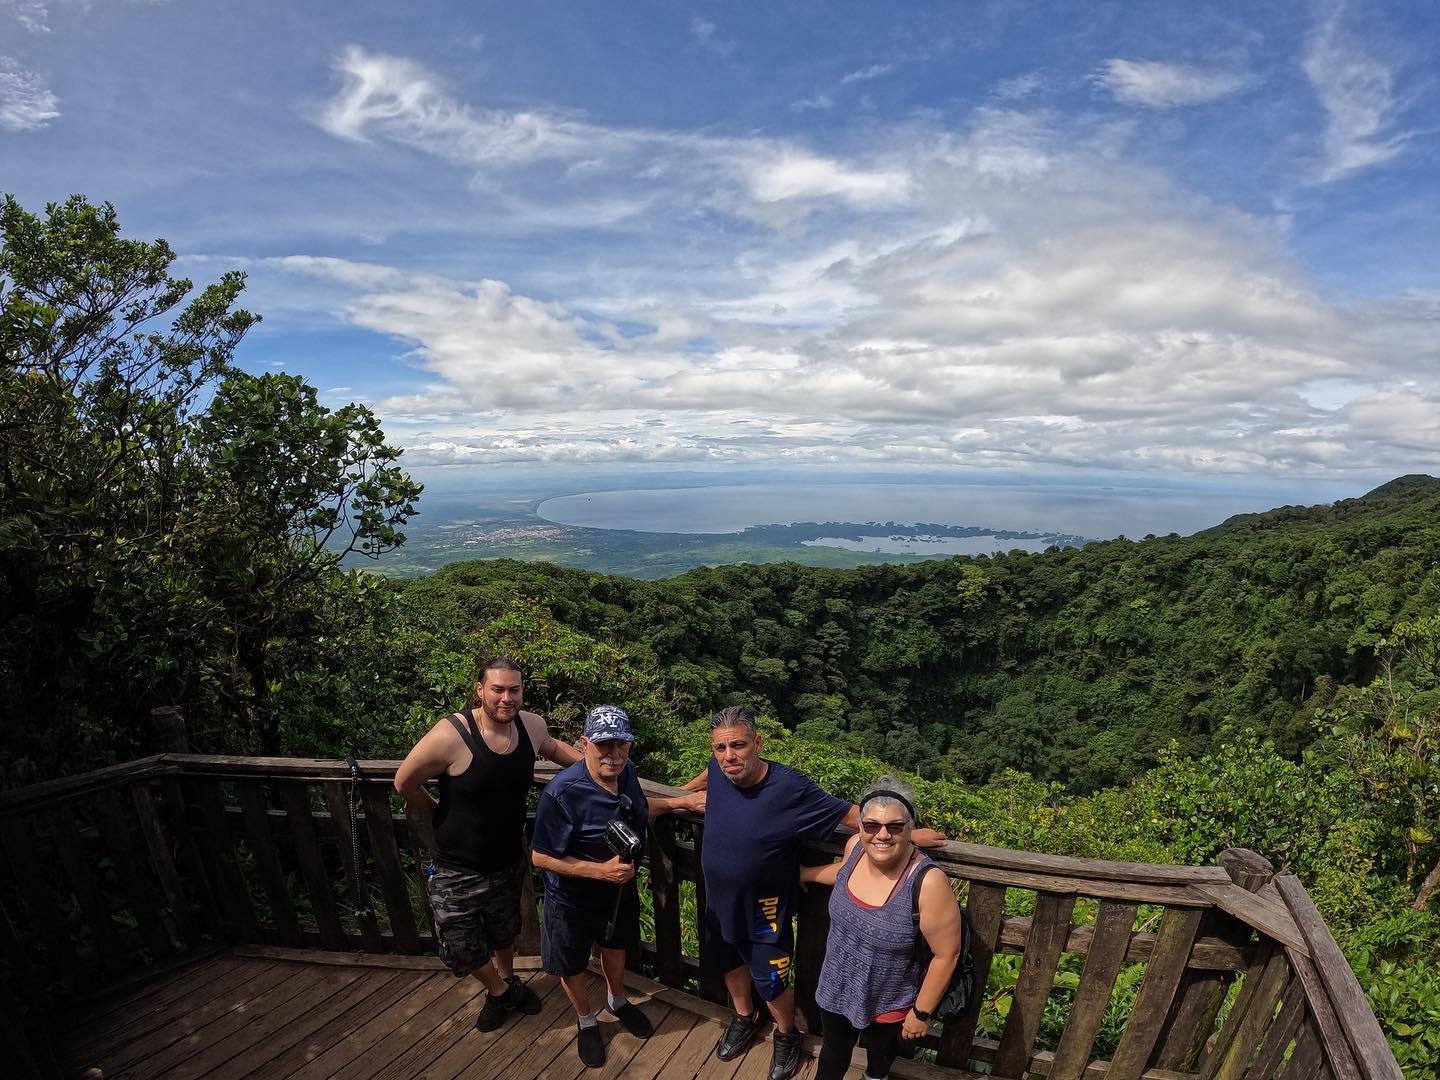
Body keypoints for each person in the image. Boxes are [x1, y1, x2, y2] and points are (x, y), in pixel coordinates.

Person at [683, 707, 948, 1080]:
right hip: (720, 901)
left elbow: (845, 813)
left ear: (757, 743)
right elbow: (707, 773)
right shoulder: (718, 768)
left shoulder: (789, 787)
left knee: (771, 980)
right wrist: (682, 795)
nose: (729, 756)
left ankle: (786, 1033)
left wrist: (902, 831)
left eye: (739, 745)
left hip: (765, 907)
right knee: (729, 963)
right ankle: (745, 1016)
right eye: (720, 748)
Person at [394, 657, 582, 1032]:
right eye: (497, 689)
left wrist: (599, 765)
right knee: (460, 946)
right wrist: (436, 811)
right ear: (480, 690)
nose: (507, 698)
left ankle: (508, 981)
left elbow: (551, 747)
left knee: (504, 932)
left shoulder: (530, 726)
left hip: (508, 859)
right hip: (456, 865)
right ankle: (499, 991)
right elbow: (404, 781)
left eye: (515, 689)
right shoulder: (452, 734)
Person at [531, 705, 706, 1069]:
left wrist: (680, 801)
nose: (613, 754)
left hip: (618, 890)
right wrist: (597, 871)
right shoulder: (563, 793)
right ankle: (586, 1019)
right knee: (573, 963)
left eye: (621, 745)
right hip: (572, 897)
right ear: (584, 744)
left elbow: (640, 807)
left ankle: (617, 999)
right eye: (603, 745)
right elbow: (540, 857)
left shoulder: (627, 774)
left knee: (615, 946)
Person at [800, 777, 963, 1080]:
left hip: (889, 998)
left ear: (910, 830)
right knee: (833, 1052)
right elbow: (843, 873)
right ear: (859, 827)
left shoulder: (927, 883)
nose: (882, 835)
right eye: (871, 826)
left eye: (895, 827)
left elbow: (947, 954)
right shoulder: (855, 848)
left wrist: (921, 1012)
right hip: (837, 983)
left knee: (880, 1057)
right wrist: (807, 874)